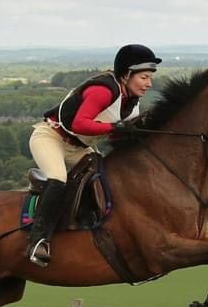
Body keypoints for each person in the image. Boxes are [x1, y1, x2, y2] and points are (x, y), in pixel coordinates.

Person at [24, 43, 161, 267]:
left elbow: (117, 137)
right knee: (59, 179)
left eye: (150, 78)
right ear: (127, 75)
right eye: (144, 77)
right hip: (51, 138)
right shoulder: (103, 91)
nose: (149, 84)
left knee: (106, 181)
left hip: (79, 148)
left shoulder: (132, 105)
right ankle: (38, 241)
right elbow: (80, 123)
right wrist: (115, 128)